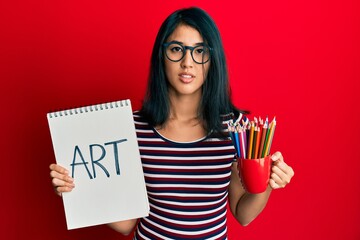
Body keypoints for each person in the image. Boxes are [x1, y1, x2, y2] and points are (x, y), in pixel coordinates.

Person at [49, 7, 294, 239]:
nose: (188, 62)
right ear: (161, 55)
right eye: (176, 49)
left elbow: (243, 213)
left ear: (213, 59)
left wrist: (268, 182)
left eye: (200, 51)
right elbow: (125, 225)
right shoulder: (132, 128)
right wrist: (78, 189)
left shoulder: (237, 129)